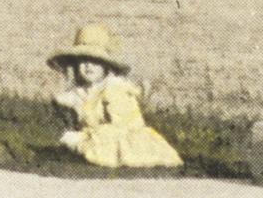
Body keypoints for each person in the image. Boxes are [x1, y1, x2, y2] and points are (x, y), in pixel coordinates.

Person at [46, 23, 182, 169]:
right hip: (101, 137)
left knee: (113, 144)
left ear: (106, 66)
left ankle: (91, 150)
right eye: (83, 61)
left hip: (126, 138)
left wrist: (84, 138)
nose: (88, 66)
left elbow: (122, 127)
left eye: (95, 61)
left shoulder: (113, 88)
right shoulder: (83, 93)